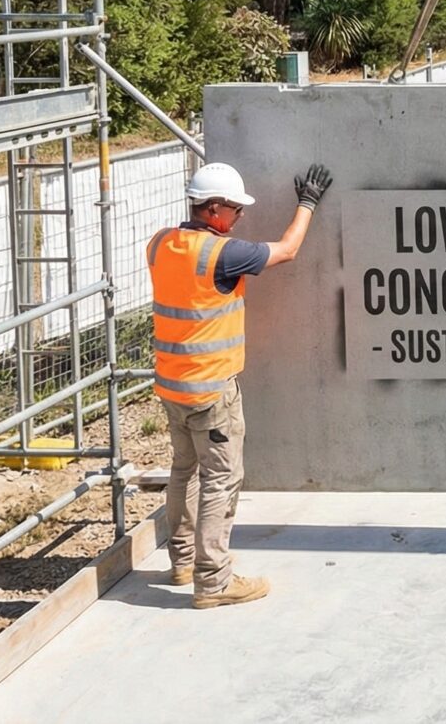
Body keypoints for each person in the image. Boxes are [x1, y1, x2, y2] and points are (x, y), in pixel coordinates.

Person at [149, 159, 331, 609]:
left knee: (183, 471)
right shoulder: (223, 254)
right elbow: (286, 250)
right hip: (212, 391)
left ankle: (183, 562)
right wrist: (308, 202)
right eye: (235, 209)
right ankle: (213, 581)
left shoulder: (160, 244)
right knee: (221, 478)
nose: (240, 217)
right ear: (213, 209)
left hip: (172, 387)